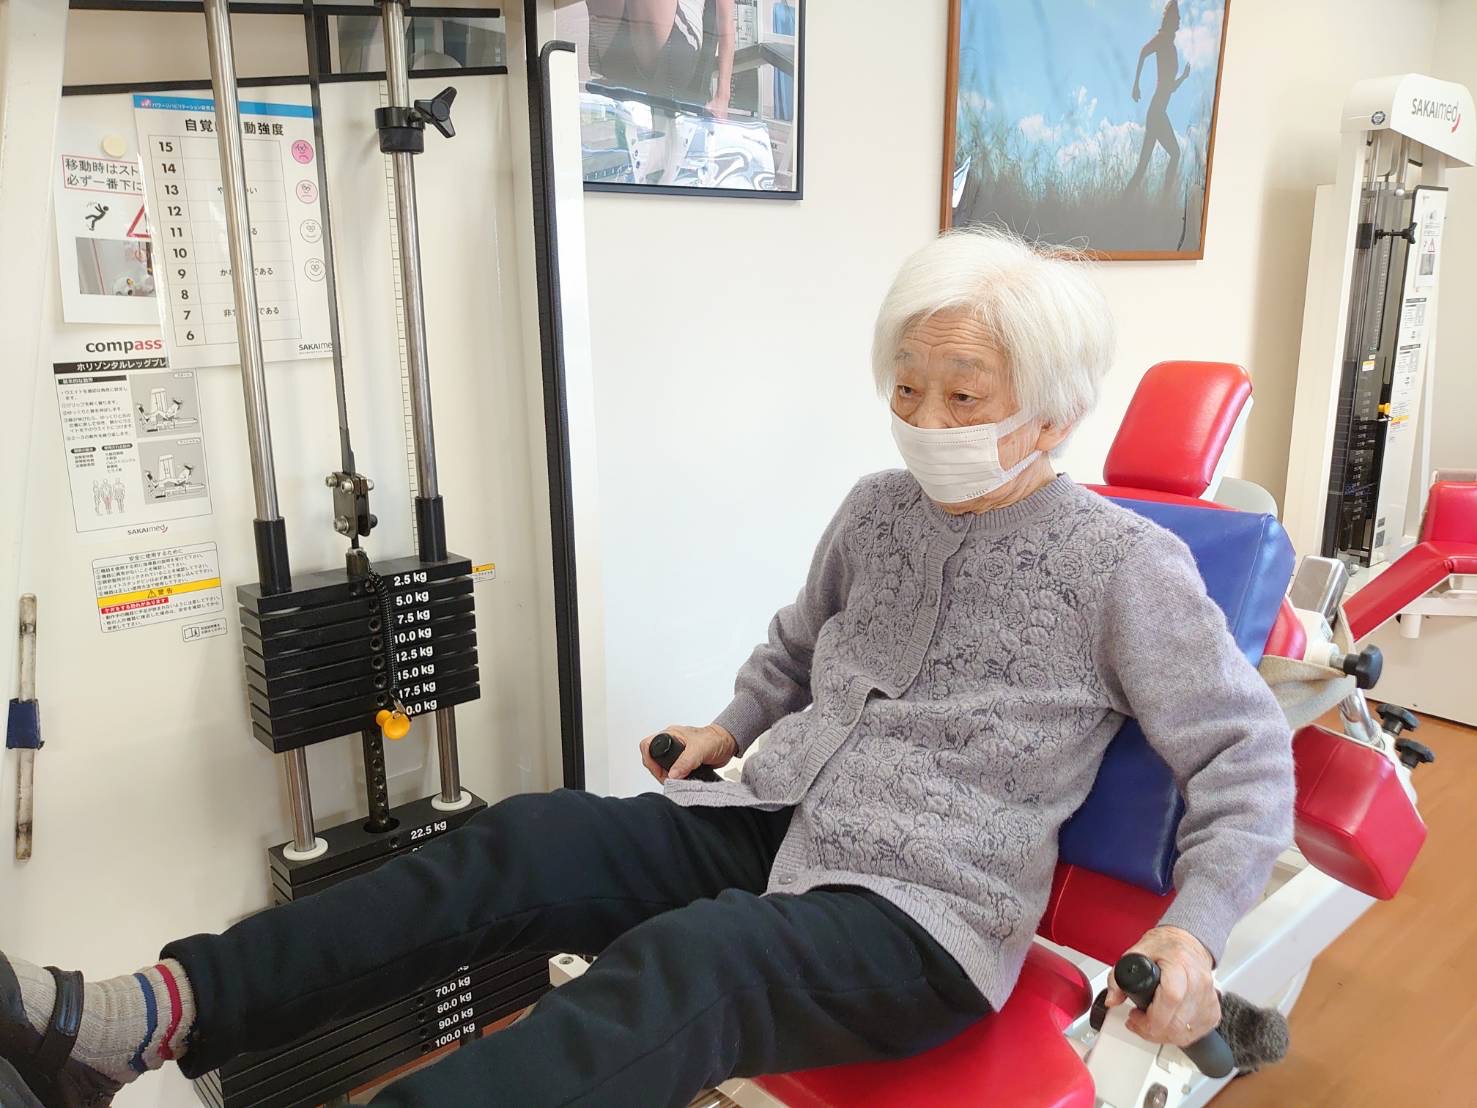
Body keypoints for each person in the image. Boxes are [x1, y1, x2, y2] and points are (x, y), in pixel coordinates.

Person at [0, 229, 1294, 1108]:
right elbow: (799, 644)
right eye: (906, 389)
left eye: (963, 397)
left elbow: (1244, 753)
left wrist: (1194, 927)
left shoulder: (1122, 565)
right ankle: (146, 1016)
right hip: (778, 813)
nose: (923, 421)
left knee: (699, 963)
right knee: (529, 841)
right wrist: (730, 728)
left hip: (925, 915)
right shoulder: (876, 507)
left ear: (1054, 412)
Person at [585, 0, 735, 117]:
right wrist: (722, 98)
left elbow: (726, 22)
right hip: (624, 52)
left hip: (672, 44)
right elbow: (726, 22)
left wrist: (722, 98)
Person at [1126, 0, 1192, 194]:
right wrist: (1135, 85)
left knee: (1142, 168)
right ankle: (1164, 201)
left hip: (1158, 111)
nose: (1179, 20)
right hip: (1156, 112)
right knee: (1175, 154)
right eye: (1177, 17)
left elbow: (1169, 88)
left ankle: (1123, 203)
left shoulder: (1171, 46)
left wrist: (1183, 78)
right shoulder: (1162, 39)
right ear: (1170, 19)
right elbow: (1143, 51)